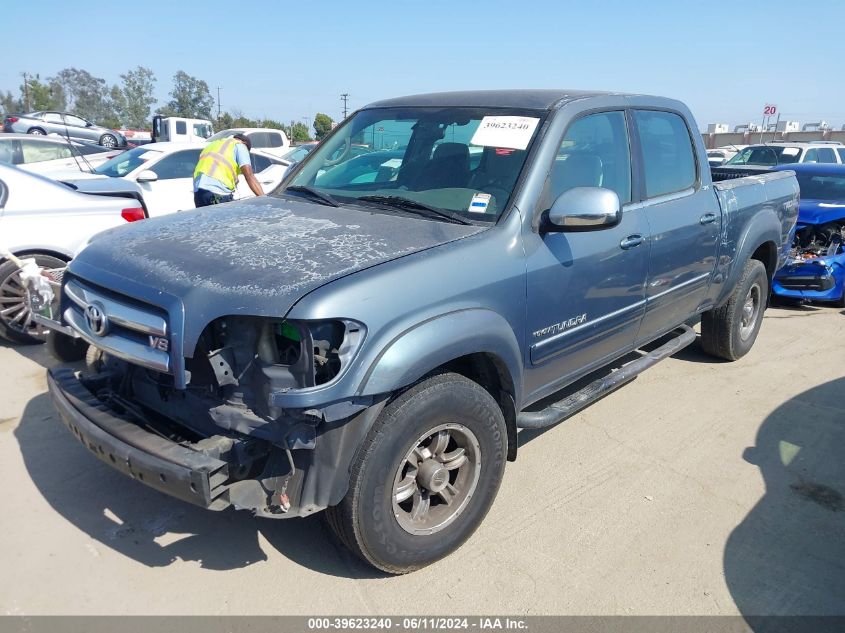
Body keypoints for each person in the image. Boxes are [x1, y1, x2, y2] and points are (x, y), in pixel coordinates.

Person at [193, 133, 264, 207]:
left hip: (199, 192)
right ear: (245, 143)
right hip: (217, 192)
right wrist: (264, 199)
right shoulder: (240, 145)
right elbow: (249, 175)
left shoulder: (213, 144)